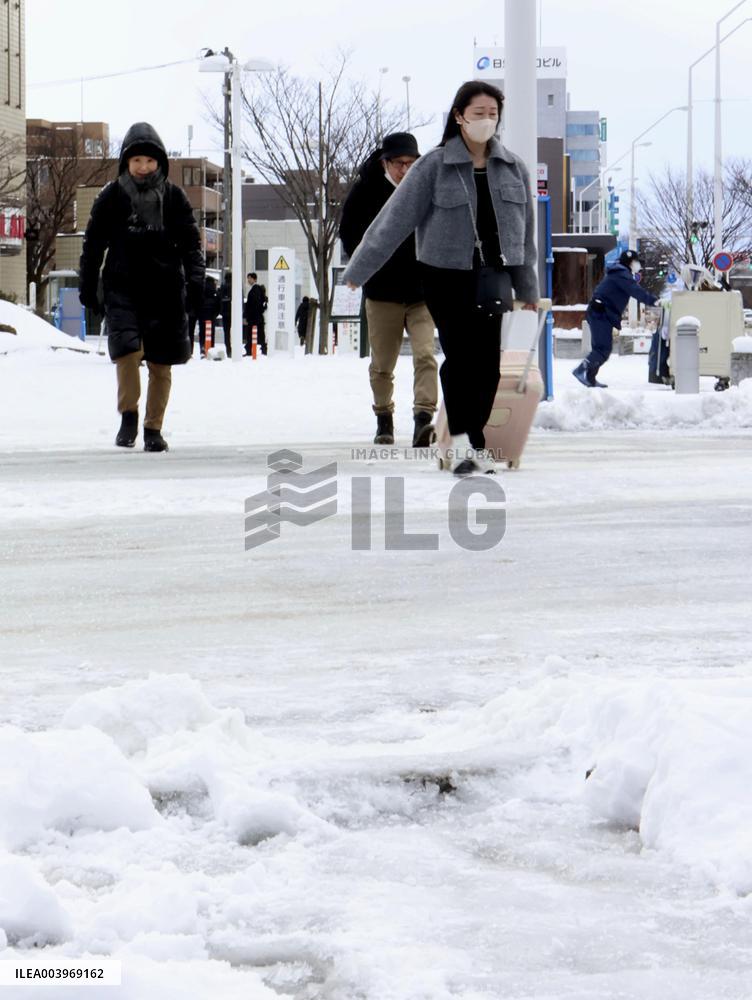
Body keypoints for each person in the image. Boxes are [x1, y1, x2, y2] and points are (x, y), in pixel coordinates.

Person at [343, 82, 538, 474]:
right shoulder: (434, 165)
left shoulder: (513, 168)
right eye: (478, 113)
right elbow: (393, 221)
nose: (486, 121)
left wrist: (528, 288)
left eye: (492, 114)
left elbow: (524, 234)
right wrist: (360, 269)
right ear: (459, 116)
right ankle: (465, 444)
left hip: (493, 276)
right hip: (444, 276)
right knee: (461, 356)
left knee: (488, 365)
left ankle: (474, 439)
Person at [79, 122, 204, 451]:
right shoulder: (111, 196)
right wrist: (88, 285)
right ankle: (129, 415)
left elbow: (191, 244)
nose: (143, 167)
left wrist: (196, 281)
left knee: (161, 362)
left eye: (149, 161)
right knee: (128, 352)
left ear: (159, 162)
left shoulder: (175, 197)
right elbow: (93, 245)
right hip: (122, 286)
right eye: (136, 161)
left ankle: (153, 427)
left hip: (165, 289)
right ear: (126, 162)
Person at [340, 132, 438, 447]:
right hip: (382, 293)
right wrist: (367, 269)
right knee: (383, 364)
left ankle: (423, 419)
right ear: (386, 162)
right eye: (399, 163)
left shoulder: (426, 189)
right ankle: (384, 418)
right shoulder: (365, 192)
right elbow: (350, 236)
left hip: (423, 292)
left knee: (426, 355)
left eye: (412, 163)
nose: (406, 170)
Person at [574, 249, 659, 388]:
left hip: (601, 313)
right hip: (600, 313)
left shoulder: (620, 273)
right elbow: (636, 291)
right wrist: (654, 301)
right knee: (603, 348)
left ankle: (590, 378)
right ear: (630, 262)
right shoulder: (621, 274)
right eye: (636, 261)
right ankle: (581, 370)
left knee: (601, 348)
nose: (638, 265)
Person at [194, 275, 220, 357]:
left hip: (202, 315)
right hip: (211, 315)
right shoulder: (215, 292)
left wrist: (199, 313)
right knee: (211, 333)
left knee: (202, 332)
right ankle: (211, 348)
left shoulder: (201, 291)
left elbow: (197, 303)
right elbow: (219, 305)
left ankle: (202, 348)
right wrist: (215, 314)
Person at [245, 272, 267, 355]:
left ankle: (250, 350)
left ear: (254, 279)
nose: (248, 280)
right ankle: (263, 349)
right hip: (258, 316)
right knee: (260, 334)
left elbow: (253, 304)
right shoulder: (259, 289)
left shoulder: (255, 290)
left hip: (254, 317)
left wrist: (248, 315)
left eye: (249, 278)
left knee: (251, 334)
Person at [219, 272, 233, 358]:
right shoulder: (235, 286)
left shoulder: (223, 287)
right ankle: (235, 348)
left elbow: (219, 299)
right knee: (235, 331)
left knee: (226, 332)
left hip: (225, 313)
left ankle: (228, 349)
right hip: (233, 312)